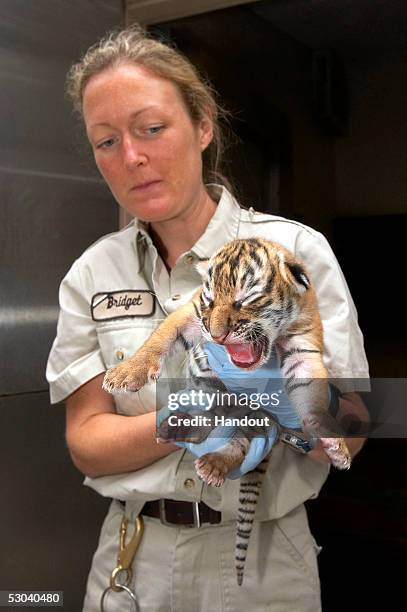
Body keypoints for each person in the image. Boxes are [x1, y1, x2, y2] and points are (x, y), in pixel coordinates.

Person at [46, 24, 370, 612]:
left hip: (265, 563)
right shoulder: (92, 274)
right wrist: (202, 408)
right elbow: (88, 442)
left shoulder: (296, 253)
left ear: (202, 126)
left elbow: (349, 429)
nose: (133, 157)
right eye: (106, 141)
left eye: (151, 128)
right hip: (132, 557)